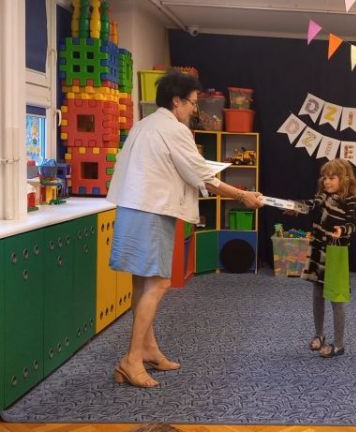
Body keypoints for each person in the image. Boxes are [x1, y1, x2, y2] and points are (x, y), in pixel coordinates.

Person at [106, 70, 263, 387]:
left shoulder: (143, 125)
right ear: (176, 101)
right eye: (192, 103)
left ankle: (148, 349)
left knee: (142, 283)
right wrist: (242, 196)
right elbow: (203, 176)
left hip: (133, 207)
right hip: (151, 210)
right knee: (159, 283)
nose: (194, 109)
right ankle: (131, 360)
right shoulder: (174, 130)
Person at [298, 159, 356, 358]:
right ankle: (319, 334)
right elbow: (310, 204)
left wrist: (341, 230)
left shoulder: (350, 198)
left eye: (332, 178)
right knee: (317, 293)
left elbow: (351, 225)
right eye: (325, 178)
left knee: (336, 298)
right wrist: (295, 207)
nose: (326, 181)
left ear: (344, 179)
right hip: (318, 249)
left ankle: (339, 345)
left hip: (335, 251)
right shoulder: (323, 195)